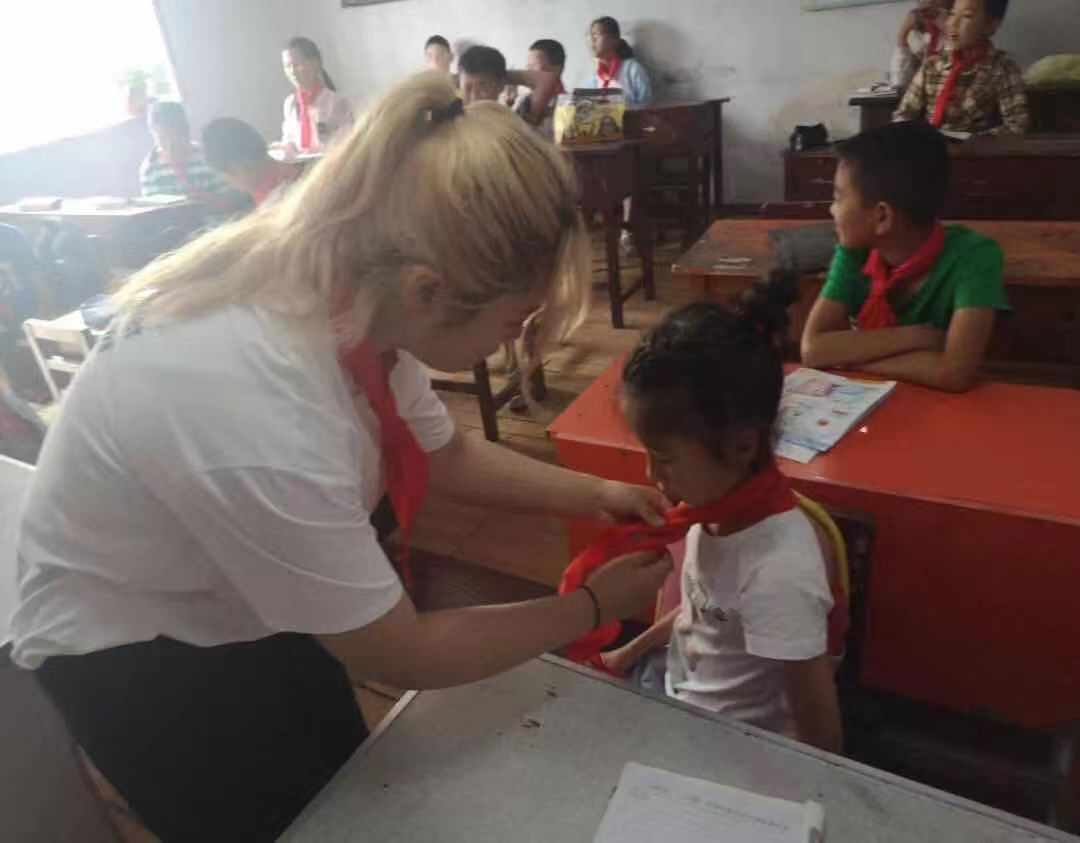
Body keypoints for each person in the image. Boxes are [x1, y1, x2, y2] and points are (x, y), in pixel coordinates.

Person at [8, 72, 671, 841]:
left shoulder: (359, 297)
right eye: (513, 320)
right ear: (428, 291)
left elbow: (445, 452)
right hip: (132, 647)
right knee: (269, 820)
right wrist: (589, 607)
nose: (512, 342)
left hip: (234, 588)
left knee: (350, 785)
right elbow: (402, 650)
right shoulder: (257, 407)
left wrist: (594, 493)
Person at [595, 279, 843, 753]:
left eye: (664, 459)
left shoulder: (780, 574)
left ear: (742, 444)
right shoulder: (712, 513)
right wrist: (626, 654)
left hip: (720, 744)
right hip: (673, 688)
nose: (650, 475)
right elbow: (703, 614)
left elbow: (823, 740)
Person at [801, 121, 1008, 392]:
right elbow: (814, 350)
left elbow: (955, 373)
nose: (832, 210)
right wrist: (918, 337)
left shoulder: (975, 256)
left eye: (838, 198)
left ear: (882, 217)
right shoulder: (854, 253)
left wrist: (848, 356)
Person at [893, 0, 1028, 135]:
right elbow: (904, 113)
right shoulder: (932, 65)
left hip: (972, 146)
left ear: (990, 25)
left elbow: (1017, 125)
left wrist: (975, 140)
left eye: (966, 16)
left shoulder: (1002, 68)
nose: (953, 23)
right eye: (952, 14)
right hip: (928, 144)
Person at [139, 101, 230, 202]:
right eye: (163, 139)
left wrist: (208, 200)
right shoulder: (151, 168)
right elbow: (153, 208)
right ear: (152, 133)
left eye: (175, 137)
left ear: (186, 131)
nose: (170, 145)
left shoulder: (208, 156)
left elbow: (229, 198)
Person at [280, 36, 355, 154]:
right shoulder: (290, 103)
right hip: (300, 164)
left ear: (315, 63)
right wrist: (285, 148)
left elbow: (348, 142)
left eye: (297, 64)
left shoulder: (337, 102)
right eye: (287, 66)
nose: (292, 71)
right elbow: (289, 138)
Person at [202, 117, 300, 207]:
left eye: (229, 173)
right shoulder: (262, 182)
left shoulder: (283, 192)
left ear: (244, 164)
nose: (229, 181)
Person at [584, 16, 653, 107]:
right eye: (591, 35)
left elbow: (647, 106)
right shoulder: (595, 78)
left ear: (614, 40)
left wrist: (621, 106)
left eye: (597, 34)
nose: (592, 40)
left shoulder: (632, 70)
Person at [890, 0, 953, 92]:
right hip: (919, 77)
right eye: (921, 9)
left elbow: (954, 45)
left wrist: (944, 27)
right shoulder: (916, 18)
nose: (924, 14)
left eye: (927, 9)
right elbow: (901, 43)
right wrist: (898, 81)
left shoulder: (948, 19)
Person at [514, 39, 567, 139]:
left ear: (558, 69)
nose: (529, 72)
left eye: (534, 67)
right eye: (528, 67)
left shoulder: (568, 107)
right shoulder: (523, 101)